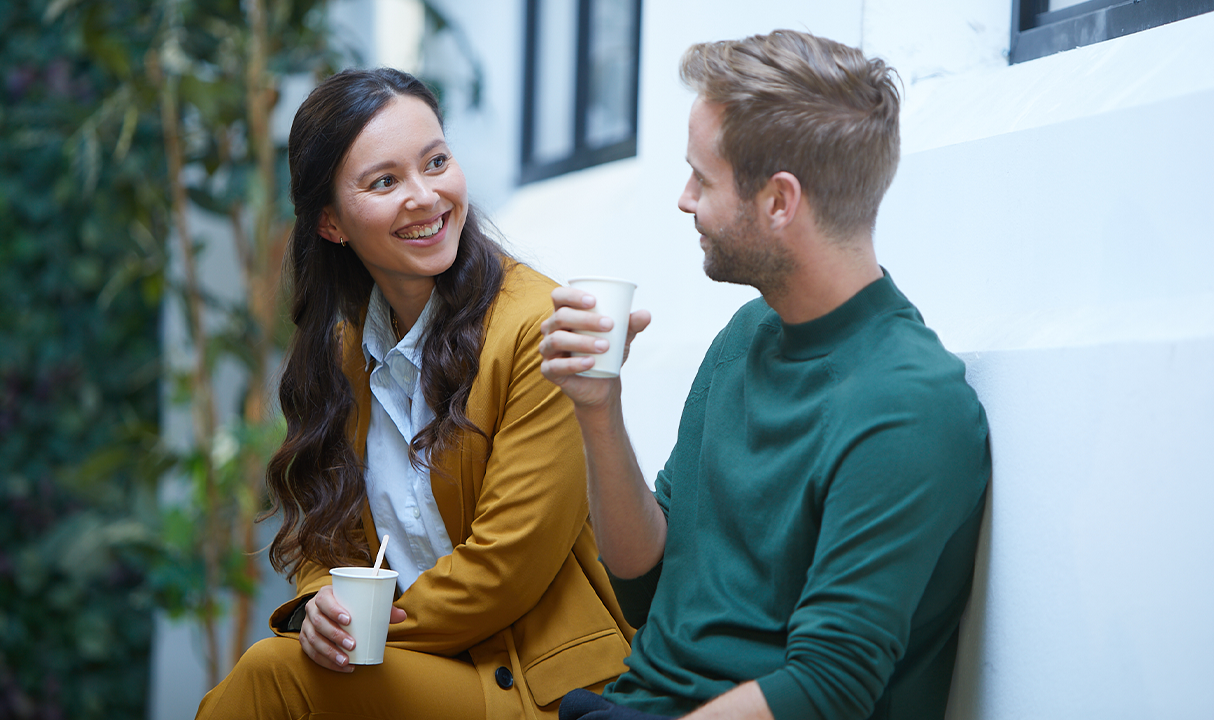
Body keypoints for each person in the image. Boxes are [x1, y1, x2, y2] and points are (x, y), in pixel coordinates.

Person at [539, 30, 991, 720]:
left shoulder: (909, 404)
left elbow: (825, 689)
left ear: (780, 201)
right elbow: (644, 587)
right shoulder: (747, 336)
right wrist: (598, 409)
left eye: (703, 177)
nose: (684, 199)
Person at [196, 67, 633, 719]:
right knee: (280, 669)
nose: (425, 197)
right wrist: (323, 609)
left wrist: (357, 635)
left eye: (436, 162)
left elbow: (503, 572)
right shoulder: (348, 350)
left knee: (273, 674)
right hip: (416, 673)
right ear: (332, 223)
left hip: (537, 687)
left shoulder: (535, 326)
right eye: (384, 181)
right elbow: (330, 535)